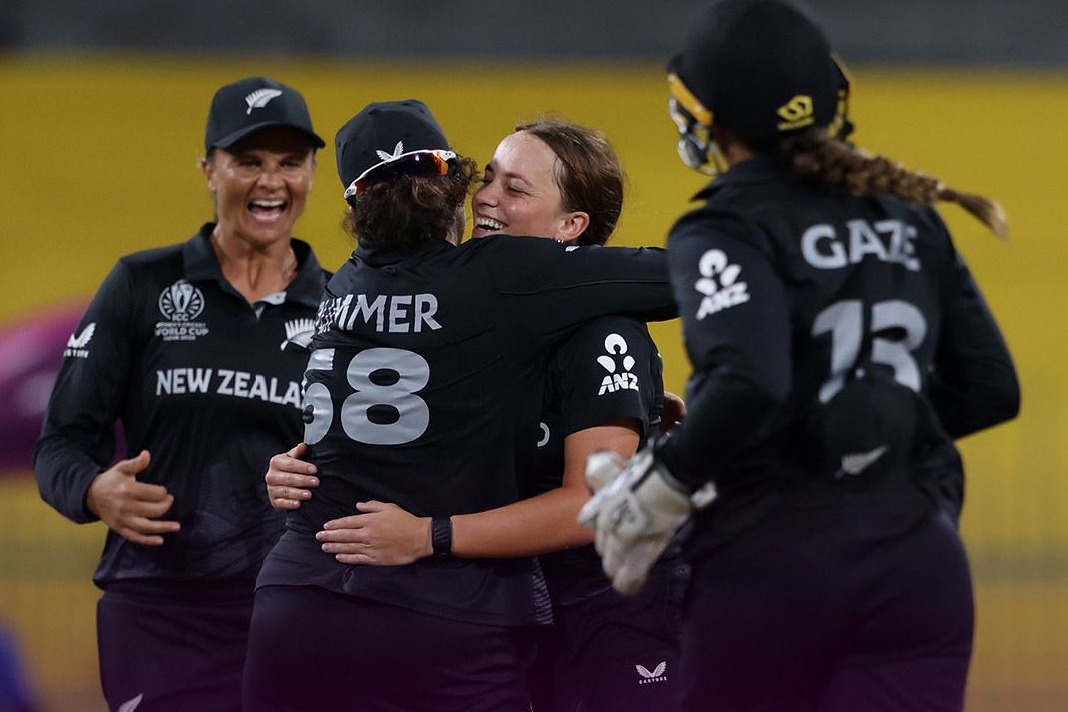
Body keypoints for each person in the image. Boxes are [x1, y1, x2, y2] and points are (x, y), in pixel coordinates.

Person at [578, 2, 1021, 711]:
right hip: (919, 563)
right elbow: (992, 388)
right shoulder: (907, 216)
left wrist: (665, 484)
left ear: (705, 117)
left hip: (775, 565)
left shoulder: (722, 225)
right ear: (833, 96)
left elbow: (750, 378)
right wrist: (867, 432)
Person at [242, 100, 677, 712]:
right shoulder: (489, 285)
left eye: (513, 186)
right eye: (486, 177)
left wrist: (426, 530)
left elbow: (592, 505)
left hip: (601, 604)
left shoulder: (342, 285)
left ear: (572, 229)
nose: (487, 198)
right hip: (469, 603)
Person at [33, 76, 329, 712]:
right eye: (247, 162)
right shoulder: (141, 284)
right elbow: (60, 444)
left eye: (290, 163)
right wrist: (92, 489)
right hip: (158, 610)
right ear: (208, 170)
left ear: (311, 173)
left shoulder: (340, 309)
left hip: (290, 609)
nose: (271, 183)